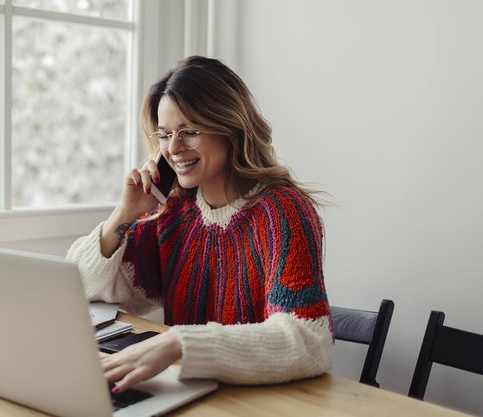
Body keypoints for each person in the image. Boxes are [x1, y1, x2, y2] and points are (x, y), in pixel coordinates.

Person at [65, 56, 333, 394]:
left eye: (189, 131)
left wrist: (180, 342)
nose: (174, 149)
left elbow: (310, 340)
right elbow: (79, 289)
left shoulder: (282, 212)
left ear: (229, 126)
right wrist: (123, 215)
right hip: (191, 395)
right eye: (164, 135)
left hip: (259, 401)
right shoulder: (175, 212)